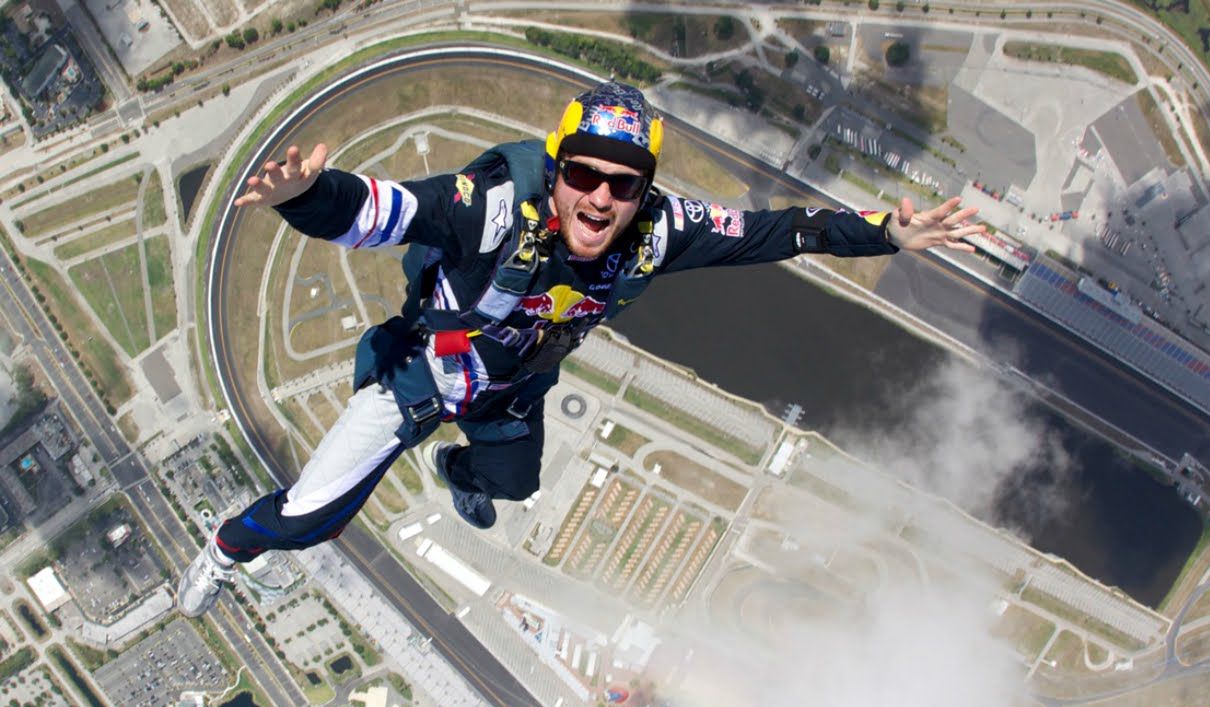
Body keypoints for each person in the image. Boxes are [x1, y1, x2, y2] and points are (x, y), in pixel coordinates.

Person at [178, 81, 982, 617]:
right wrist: (308, 197)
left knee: (515, 485)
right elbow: (386, 212)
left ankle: (457, 469)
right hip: (419, 375)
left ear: (644, 192)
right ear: (557, 170)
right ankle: (225, 547)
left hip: (510, 390)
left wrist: (883, 232)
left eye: (625, 184)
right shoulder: (496, 207)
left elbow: (777, 232)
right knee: (312, 518)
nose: (601, 197)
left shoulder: (657, 233)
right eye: (586, 174)